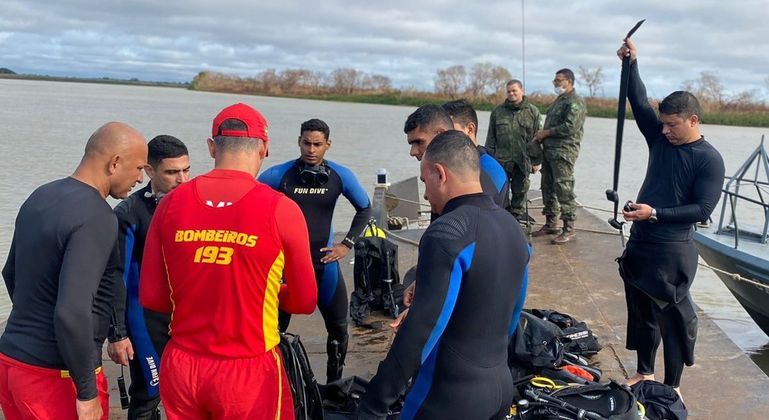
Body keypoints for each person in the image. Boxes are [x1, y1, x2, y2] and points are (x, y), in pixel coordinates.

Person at [139, 103, 318, 419]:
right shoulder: (281, 209)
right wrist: (265, 290)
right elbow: (305, 301)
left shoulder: (169, 204)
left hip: (182, 366)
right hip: (247, 369)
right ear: (264, 149)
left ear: (211, 147)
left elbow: (152, 297)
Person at [357, 131, 529, 419]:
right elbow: (514, 313)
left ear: (440, 173)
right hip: (499, 386)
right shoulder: (513, 228)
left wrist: (376, 400)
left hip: (449, 395)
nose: (425, 194)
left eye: (425, 182)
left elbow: (423, 328)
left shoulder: (448, 232)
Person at [0, 122, 148, 420]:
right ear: (114, 163)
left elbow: (10, 272)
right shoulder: (97, 217)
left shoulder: (41, 196)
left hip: (10, 363)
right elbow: (71, 311)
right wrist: (87, 392)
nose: (140, 178)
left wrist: (35, 331)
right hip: (53, 377)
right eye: (138, 168)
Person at [615, 39, 724, 398]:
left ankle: (672, 385)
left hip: (673, 250)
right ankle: (645, 372)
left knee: (673, 321)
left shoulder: (709, 159)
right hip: (642, 243)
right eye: (662, 124)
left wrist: (655, 213)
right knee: (642, 313)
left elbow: (702, 210)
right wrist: (632, 64)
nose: (664, 131)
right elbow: (638, 99)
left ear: (693, 120)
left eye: (672, 125)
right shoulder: (660, 140)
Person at [259, 118, 372, 382]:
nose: (311, 149)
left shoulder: (339, 176)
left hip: (325, 265)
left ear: (327, 145)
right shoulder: (278, 175)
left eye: (317, 144)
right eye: (306, 143)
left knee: (338, 329)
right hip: (285, 269)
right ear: (299, 142)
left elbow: (366, 208)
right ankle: (279, 384)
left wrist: (347, 245)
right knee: (273, 331)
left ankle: (334, 386)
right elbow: (250, 207)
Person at [105, 135, 191, 420]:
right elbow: (117, 275)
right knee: (149, 392)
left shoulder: (197, 204)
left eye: (186, 170)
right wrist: (118, 333)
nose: (182, 179)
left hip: (186, 316)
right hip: (144, 317)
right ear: (150, 171)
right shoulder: (130, 213)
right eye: (172, 172)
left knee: (190, 390)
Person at [406, 104, 509, 209]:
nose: (412, 152)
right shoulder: (443, 171)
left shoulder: (485, 169)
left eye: (452, 130)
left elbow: (476, 218)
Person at [531, 68, 587, 244]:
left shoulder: (575, 102)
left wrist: (546, 133)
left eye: (558, 80)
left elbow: (570, 127)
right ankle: (551, 223)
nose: (555, 83)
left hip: (563, 152)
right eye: (554, 80)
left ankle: (569, 228)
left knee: (564, 188)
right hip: (549, 150)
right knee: (547, 186)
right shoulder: (559, 100)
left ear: (569, 81)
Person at [485, 80, 542, 222]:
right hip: (502, 161)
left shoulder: (532, 112)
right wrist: (487, 159)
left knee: (521, 191)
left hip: (523, 161)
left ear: (522, 91)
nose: (511, 94)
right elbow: (491, 138)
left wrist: (537, 162)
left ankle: (516, 219)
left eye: (514, 91)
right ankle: (499, 218)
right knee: (499, 190)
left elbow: (538, 138)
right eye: (509, 91)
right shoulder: (498, 112)